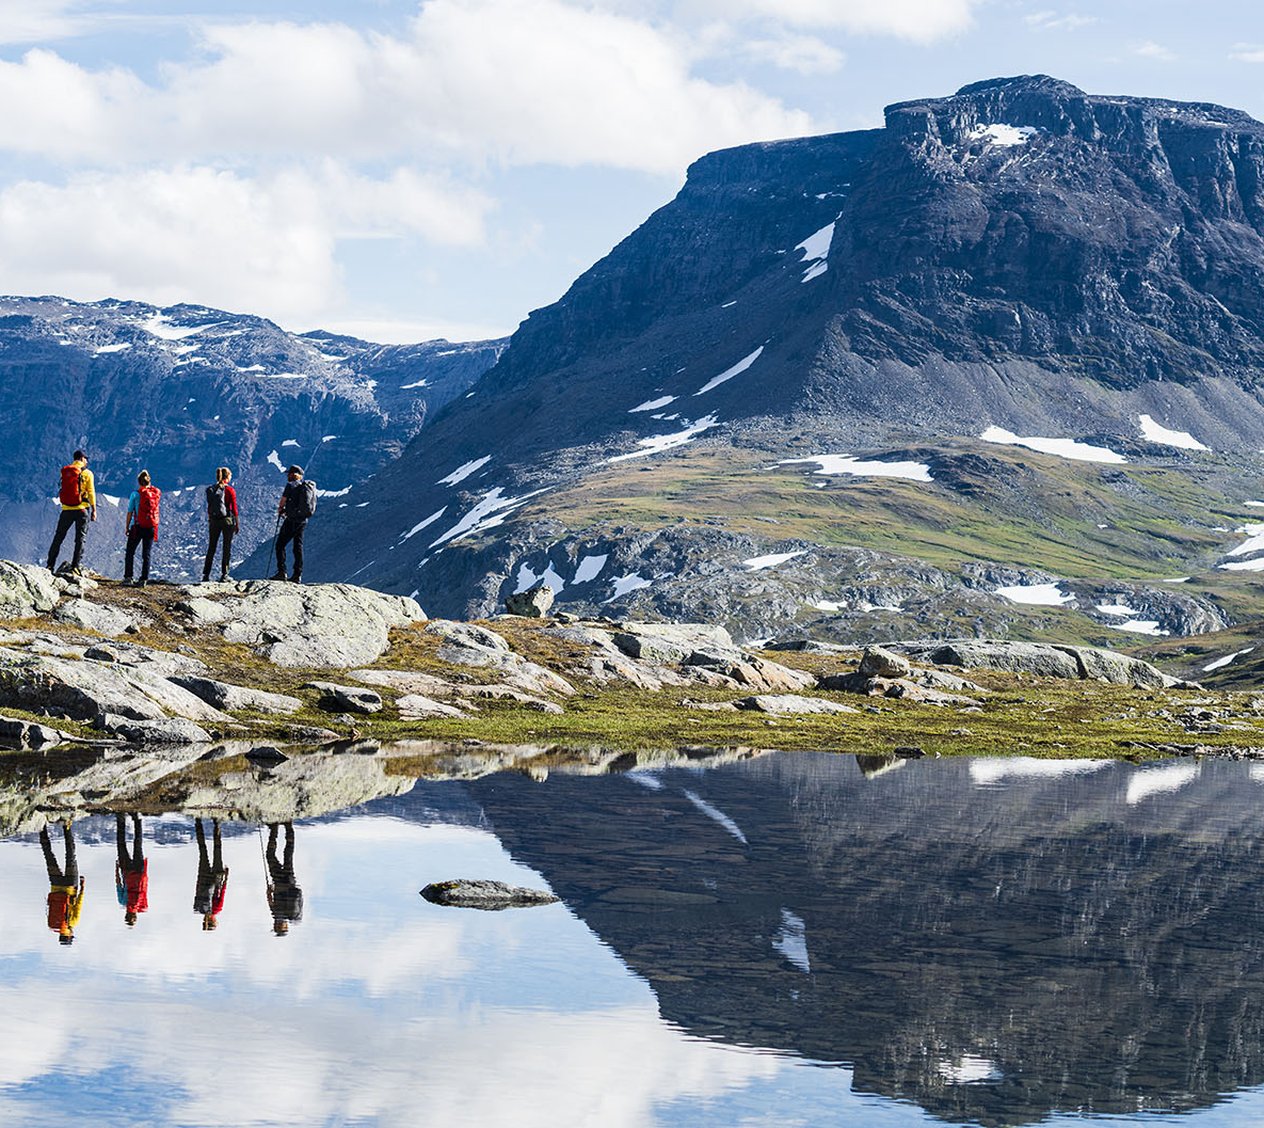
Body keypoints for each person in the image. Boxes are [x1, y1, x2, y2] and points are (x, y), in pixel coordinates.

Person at [46, 449, 96, 576]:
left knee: (58, 537)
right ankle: (75, 566)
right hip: (82, 509)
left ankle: (50, 565)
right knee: (80, 539)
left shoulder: (65, 471)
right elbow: (91, 492)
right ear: (82, 458)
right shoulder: (87, 473)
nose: (87, 461)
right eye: (86, 459)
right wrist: (94, 509)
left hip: (66, 509)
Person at [41, 820, 84, 946]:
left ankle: (67, 826)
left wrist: (83, 887)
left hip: (70, 885)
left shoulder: (72, 923)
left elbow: (79, 905)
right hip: (55, 884)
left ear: (69, 935)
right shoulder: (52, 924)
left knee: (70, 856)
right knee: (48, 855)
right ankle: (41, 828)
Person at [272, 465, 317, 584]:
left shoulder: (291, 485)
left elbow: (283, 501)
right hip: (302, 520)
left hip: (292, 520)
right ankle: (297, 575)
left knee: (280, 545)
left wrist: (281, 509)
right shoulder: (305, 487)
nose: (287, 475)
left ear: (293, 474)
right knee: (298, 547)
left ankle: (282, 572)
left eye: (289, 473)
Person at [265, 822, 303, 936]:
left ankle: (288, 827)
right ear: (277, 926)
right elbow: (269, 898)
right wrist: (270, 890)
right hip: (278, 881)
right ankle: (275, 829)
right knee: (270, 855)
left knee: (288, 855)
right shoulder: (277, 915)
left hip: (290, 881)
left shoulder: (292, 915)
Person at [123, 470, 161, 587]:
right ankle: (144, 579)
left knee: (130, 552)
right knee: (146, 554)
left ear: (139, 482)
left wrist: (127, 527)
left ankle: (128, 577)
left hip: (137, 526)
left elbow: (130, 511)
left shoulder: (135, 494)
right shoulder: (156, 493)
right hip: (151, 526)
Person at [202, 467, 239, 583]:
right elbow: (234, 508)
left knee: (211, 547)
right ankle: (225, 574)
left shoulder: (211, 490)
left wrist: (210, 519)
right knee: (226, 547)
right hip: (227, 521)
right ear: (227, 477)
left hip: (214, 521)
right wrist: (237, 523)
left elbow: (209, 507)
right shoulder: (230, 490)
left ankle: (206, 575)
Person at [193, 817, 229, 931]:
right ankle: (198, 822)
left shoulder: (217, 909)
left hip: (216, 878)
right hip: (203, 878)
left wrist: (226, 878)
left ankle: (217, 824)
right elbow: (197, 890)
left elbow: (222, 893)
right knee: (202, 849)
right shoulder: (200, 908)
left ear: (214, 921)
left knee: (217, 849)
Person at [115, 813, 149, 927]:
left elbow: (144, 888)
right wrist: (116, 869)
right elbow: (118, 884)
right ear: (126, 914)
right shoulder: (123, 902)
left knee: (137, 844)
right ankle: (121, 819)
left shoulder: (142, 904)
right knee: (121, 844)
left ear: (135, 915)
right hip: (126, 871)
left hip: (139, 871)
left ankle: (137, 820)